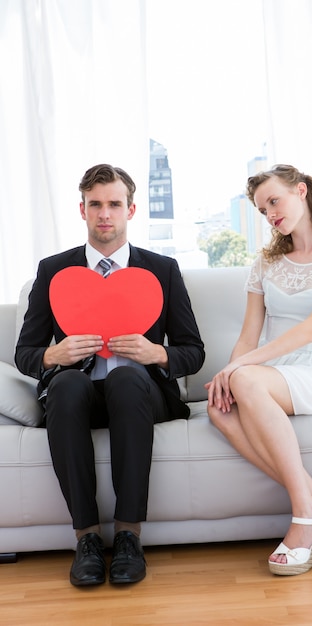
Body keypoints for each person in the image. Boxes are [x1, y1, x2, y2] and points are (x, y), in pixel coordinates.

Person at [15, 164, 205, 587]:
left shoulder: (162, 269)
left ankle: (127, 538)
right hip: (76, 394)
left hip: (140, 393)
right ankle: (85, 540)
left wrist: (155, 352)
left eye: (114, 204)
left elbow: (193, 353)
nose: (105, 214)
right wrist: (54, 354)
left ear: (131, 210)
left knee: (126, 378)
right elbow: (24, 353)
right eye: (95, 204)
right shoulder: (53, 271)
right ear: (81, 210)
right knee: (65, 383)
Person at [205, 164, 312, 576]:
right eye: (262, 210)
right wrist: (230, 373)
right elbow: (249, 335)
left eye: (274, 201)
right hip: (266, 371)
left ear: (301, 191)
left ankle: (303, 515)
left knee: (242, 380)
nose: (270, 215)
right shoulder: (264, 263)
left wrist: (241, 368)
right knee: (217, 407)